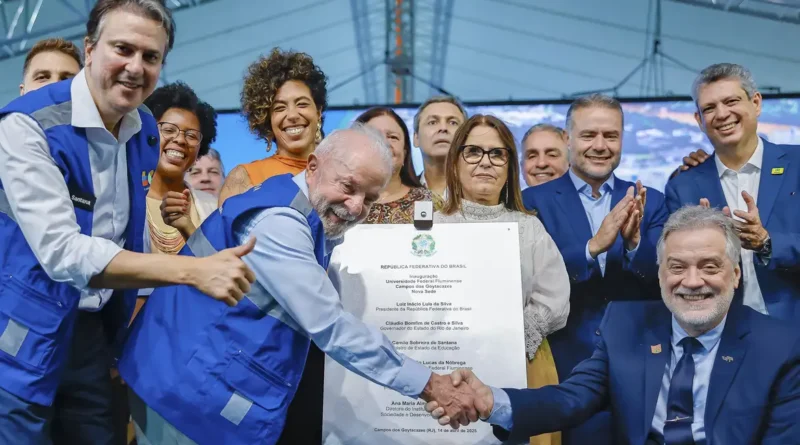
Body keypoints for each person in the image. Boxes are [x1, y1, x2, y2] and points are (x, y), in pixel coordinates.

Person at [118, 124, 480, 445]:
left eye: (369, 199)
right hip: (184, 391)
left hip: (192, 377)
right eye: (348, 186)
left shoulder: (299, 210)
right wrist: (430, 384)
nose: (356, 207)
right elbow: (330, 325)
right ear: (313, 167)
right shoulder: (280, 223)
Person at [0, 2, 255, 443]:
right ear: (90, 49)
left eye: (150, 56)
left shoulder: (144, 129)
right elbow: (63, 252)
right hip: (21, 328)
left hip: (93, 338)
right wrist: (192, 270)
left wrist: (119, 339)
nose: (136, 67)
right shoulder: (27, 126)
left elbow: (126, 232)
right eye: (123, 49)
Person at [426, 206, 800, 445]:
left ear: (735, 275)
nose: (692, 281)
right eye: (677, 267)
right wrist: (493, 401)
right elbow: (571, 399)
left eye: (709, 266)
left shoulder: (782, 347)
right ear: (660, 275)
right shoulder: (625, 324)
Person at [521, 94, 668, 445]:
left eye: (610, 135)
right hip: (564, 364)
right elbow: (528, 281)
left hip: (639, 366)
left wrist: (634, 245)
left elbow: (667, 280)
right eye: (589, 135)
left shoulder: (653, 201)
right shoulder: (531, 202)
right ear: (568, 139)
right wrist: (592, 248)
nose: (600, 146)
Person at [434, 114, 570, 445]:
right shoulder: (432, 228)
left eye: (497, 153)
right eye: (473, 152)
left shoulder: (529, 227)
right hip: (445, 369)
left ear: (509, 166)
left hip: (522, 366)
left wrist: (505, 342)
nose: (486, 162)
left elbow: (554, 298)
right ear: (455, 162)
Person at [665, 63, 800, 321]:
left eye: (731, 101)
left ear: (756, 103)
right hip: (725, 331)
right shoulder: (683, 187)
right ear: (699, 120)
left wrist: (767, 242)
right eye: (709, 108)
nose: (722, 114)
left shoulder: (797, 164)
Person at [217, 48, 327, 205]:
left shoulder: (344, 172)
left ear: (318, 111)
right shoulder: (244, 178)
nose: (292, 115)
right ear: (267, 120)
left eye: (302, 104)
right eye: (280, 108)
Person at [144, 81, 218, 253]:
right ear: (147, 134)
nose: (180, 140)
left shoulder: (213, 208)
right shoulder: (122, 201)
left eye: (191, 135)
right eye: (169, 130)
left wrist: (188, 227)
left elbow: (220, 264)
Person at [354, 107, 440, 223]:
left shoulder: (429, 202)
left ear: (405, 152)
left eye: (393, 137)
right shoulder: (340, 200)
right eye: (373, 135)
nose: (384, 142)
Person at [413, 95, 468, 198]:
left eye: (453, 123)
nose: (443, 128)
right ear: (416, 138)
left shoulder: (479, 192)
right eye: (432, 122)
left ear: (466, 138)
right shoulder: (400, 195)